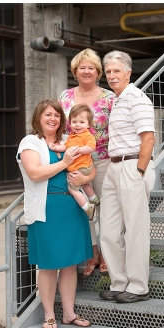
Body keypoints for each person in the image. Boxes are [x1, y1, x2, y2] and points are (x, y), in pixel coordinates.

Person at [16, 99, 94, 328]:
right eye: (48, 115)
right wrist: (66, 162)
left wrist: (86, 179)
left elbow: (89, 165)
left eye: (57, 115)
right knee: (49, 265)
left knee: (70, 264)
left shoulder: (68, 141)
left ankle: (69, 314)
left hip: (71, 207)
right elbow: (35, 173)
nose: (53, 119)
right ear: (38, 117)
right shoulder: (30, 142)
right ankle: (49, 315)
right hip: (46, 208)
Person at [98, 50, 156, 303]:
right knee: (108, 231)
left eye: (116, 71)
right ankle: (119, 282)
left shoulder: (136, 99)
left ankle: (139, 286)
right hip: (114, 166)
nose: (111, 76)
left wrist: (139, 171)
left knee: (135, 229)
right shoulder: (117, 100)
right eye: (108, 71)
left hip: (133, 165)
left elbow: (148, 139)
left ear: (128, 73)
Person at [58, 48, 115, 276]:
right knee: (86, 210)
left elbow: (118, 130)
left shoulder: (109, 97)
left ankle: (108, 255)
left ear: (98, 72)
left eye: (91, 67)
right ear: (75, 71)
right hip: (73, 161)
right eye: (82, 67)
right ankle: (93, 254)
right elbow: (60, 128)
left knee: (107, 210)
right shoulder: (65, 97)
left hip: (103, 161)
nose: (86, 71)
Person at [48, 104, 99, 219]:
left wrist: (79, 150)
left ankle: (88, 208)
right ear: (70, 123)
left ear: (88, 124)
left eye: (81, 122)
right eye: (74, 121)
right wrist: (56, 148)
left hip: (82, 167)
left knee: (72, 189)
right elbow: (65, 147)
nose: (77, 125)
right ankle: (94, 198)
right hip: (81, 167)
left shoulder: (87, 135)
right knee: (84, 183)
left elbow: (91, 148)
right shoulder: (71, 136)